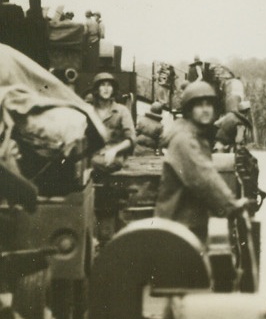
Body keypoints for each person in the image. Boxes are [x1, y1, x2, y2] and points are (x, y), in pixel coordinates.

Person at [155, 81, 250, 245]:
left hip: (187, 225)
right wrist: (230, 205)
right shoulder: (184, 140)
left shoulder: (197, 136)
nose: (205, 109)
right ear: (189, 109)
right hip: (177, 228)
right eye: (199, 105)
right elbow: (204, 177)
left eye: (209, 105)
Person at [89, 72, 136, 152]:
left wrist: (114, 150)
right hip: (92, 158)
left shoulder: (122, 111)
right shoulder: (90, 111)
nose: (106, 88)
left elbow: (131, 138)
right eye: (103, 85)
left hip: (115, 159)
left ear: (113, 89)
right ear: (97, 89)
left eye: (109, 85)